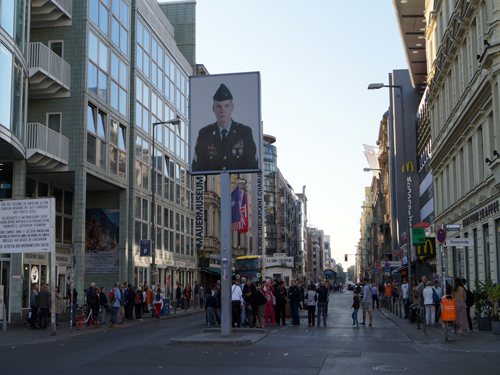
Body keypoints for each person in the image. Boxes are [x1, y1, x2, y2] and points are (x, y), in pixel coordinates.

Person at [191, 83, 258, 172]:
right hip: (213, 185)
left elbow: (253, 167)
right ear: (213, 108)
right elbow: (197, 168)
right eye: (219, 106)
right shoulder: (204, 134)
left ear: (232, 107)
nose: (222, 110)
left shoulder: (245, 133)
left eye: (226, 106)